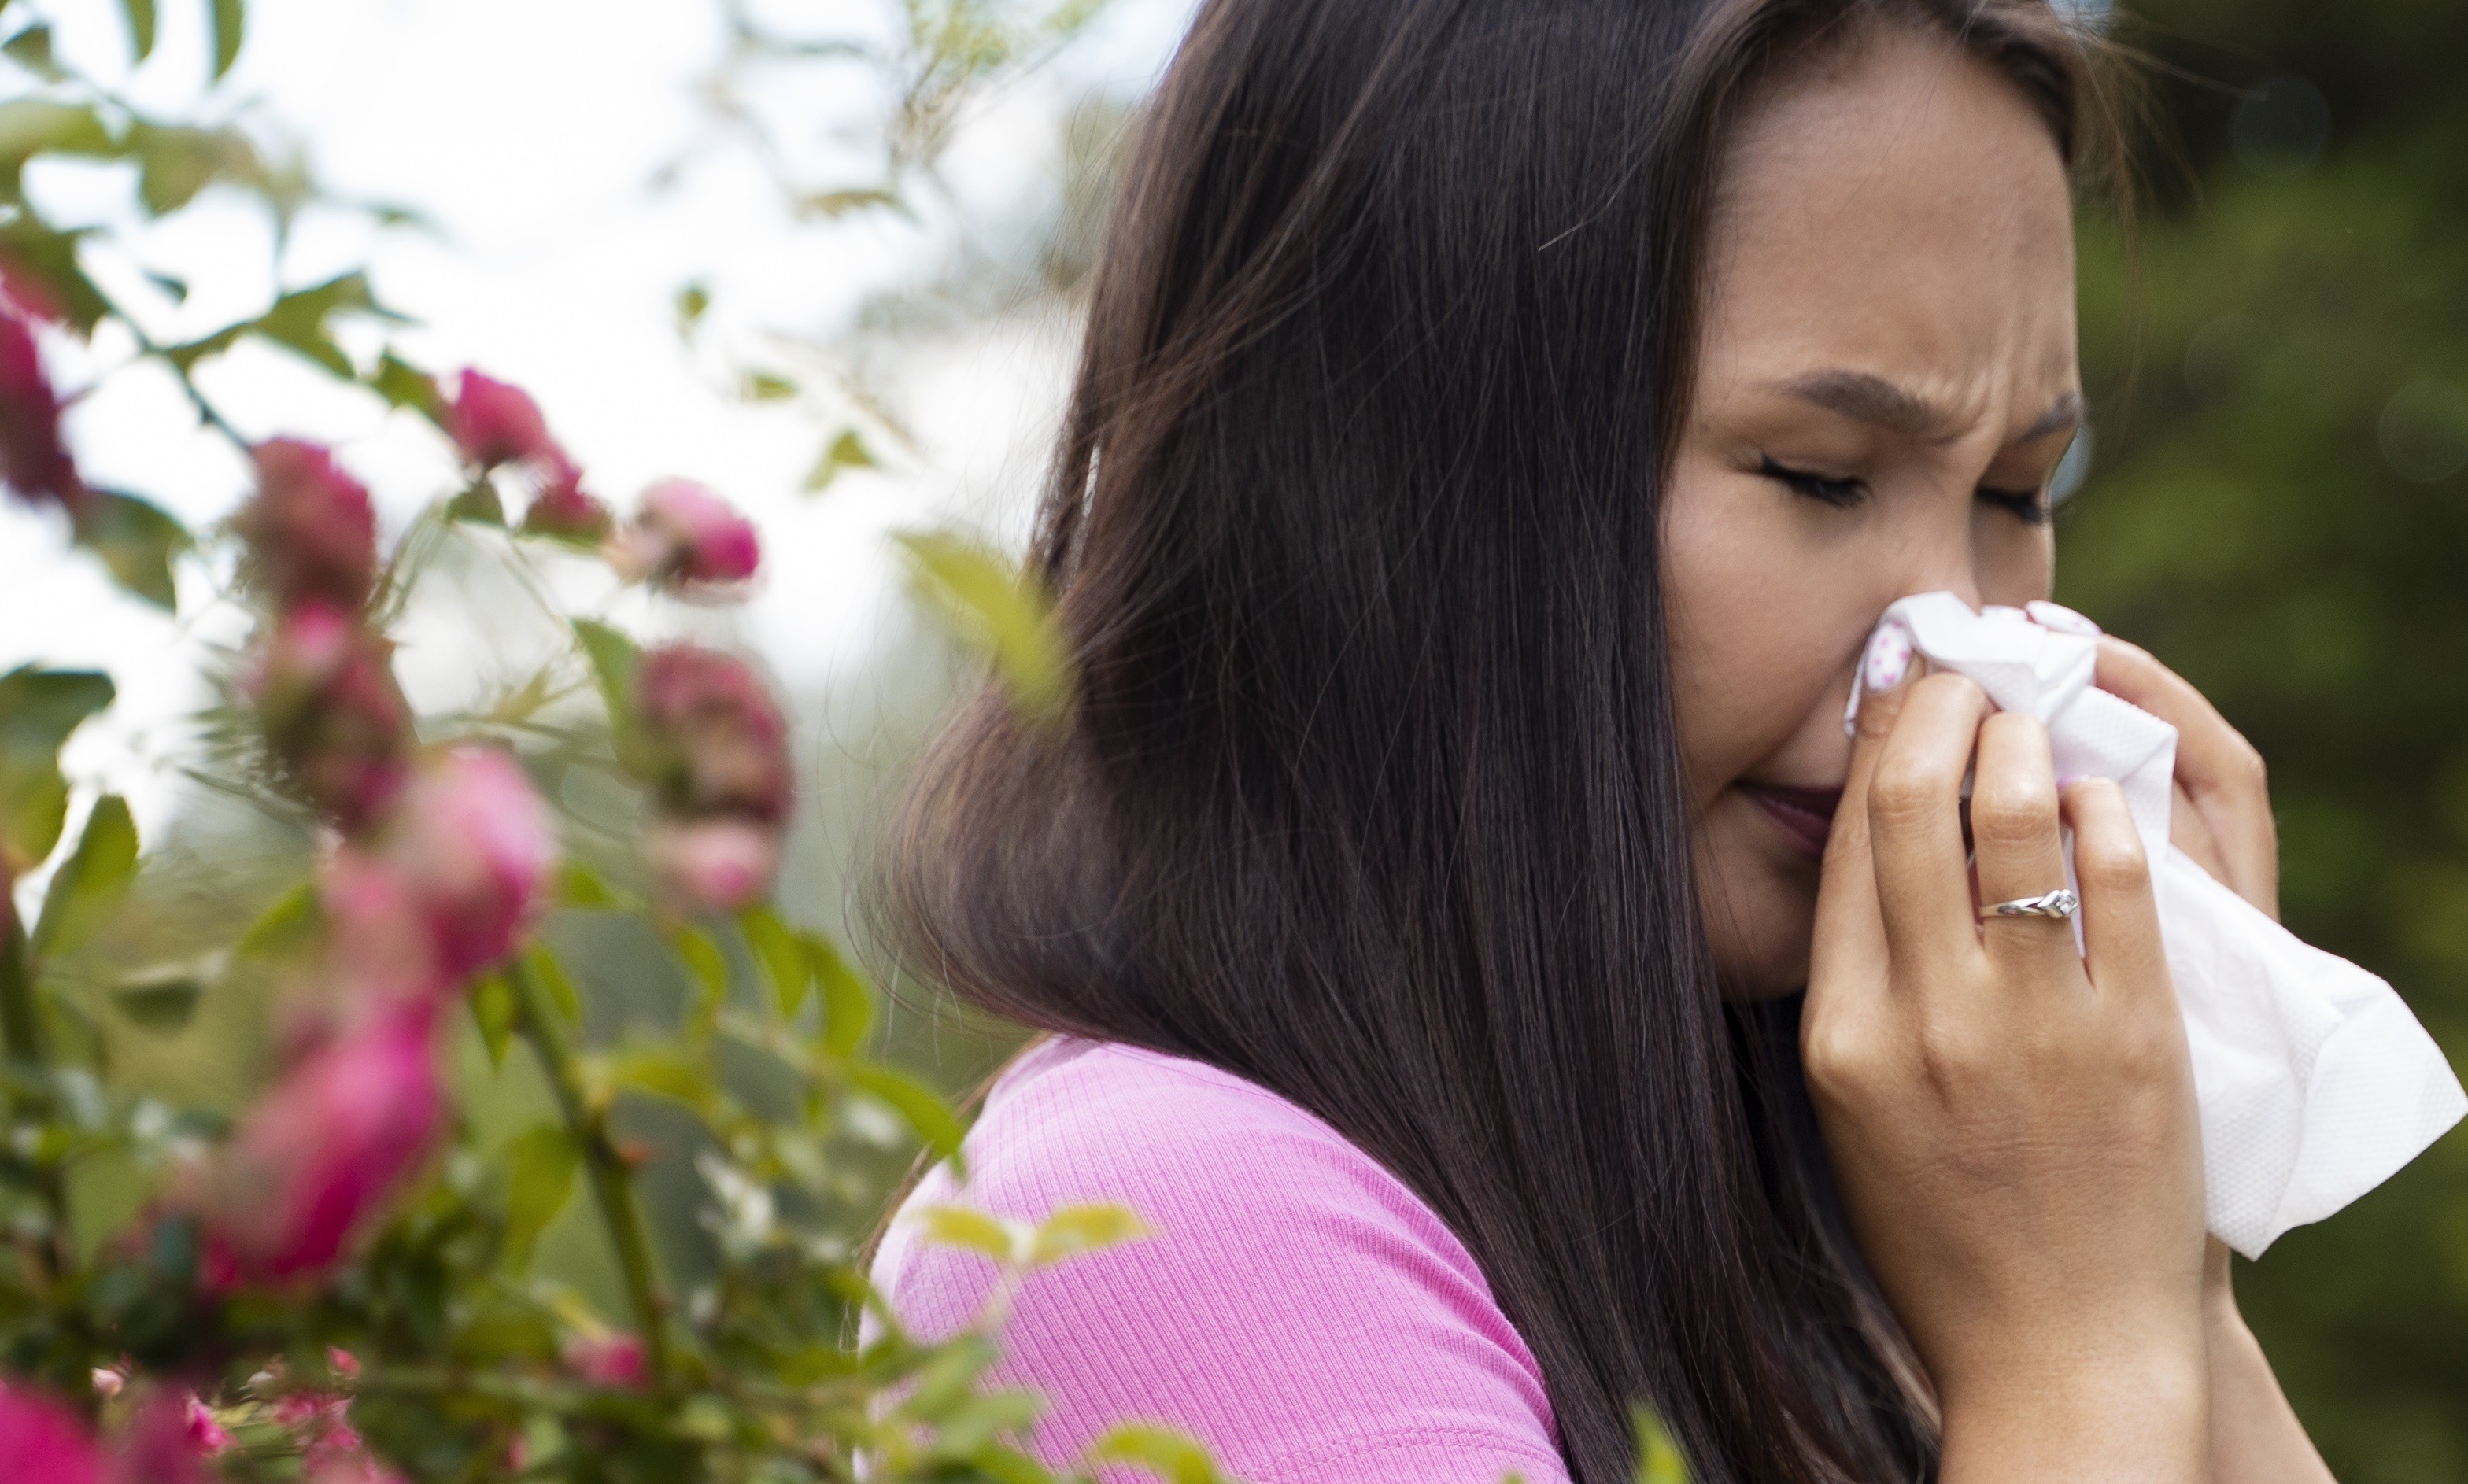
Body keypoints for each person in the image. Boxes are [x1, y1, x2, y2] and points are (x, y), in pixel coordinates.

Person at [867, 0, 2334, 1480]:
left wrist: (2166, 1270)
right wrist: (2080, 1357)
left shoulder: (1808, 1279)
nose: (1958, 639)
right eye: (1820, 477)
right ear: (1403, 469)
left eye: (2020, 493)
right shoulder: (1150, 1231)